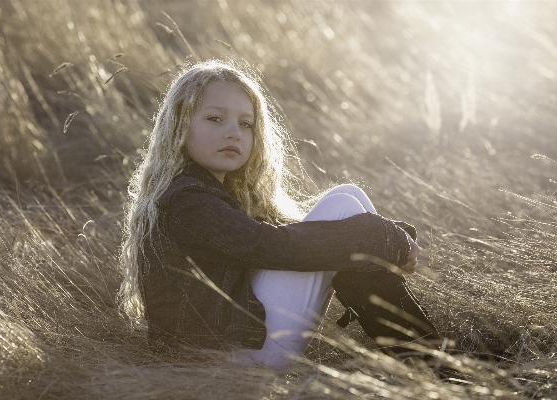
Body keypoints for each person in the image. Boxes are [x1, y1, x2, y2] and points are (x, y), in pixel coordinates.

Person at [118, 59, 441, 370]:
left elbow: (278, 239)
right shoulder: (187, 200)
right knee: (344, 208)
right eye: (215, 119)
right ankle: (431, 359)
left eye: (245, 124)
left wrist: (383, 237)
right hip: (221, 359)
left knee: (347, 197)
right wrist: (378, 237)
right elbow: (270, 246)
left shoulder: (207, 191)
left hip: (236, 345)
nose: (233, 132)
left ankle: (426, 357)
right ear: (179, 124)